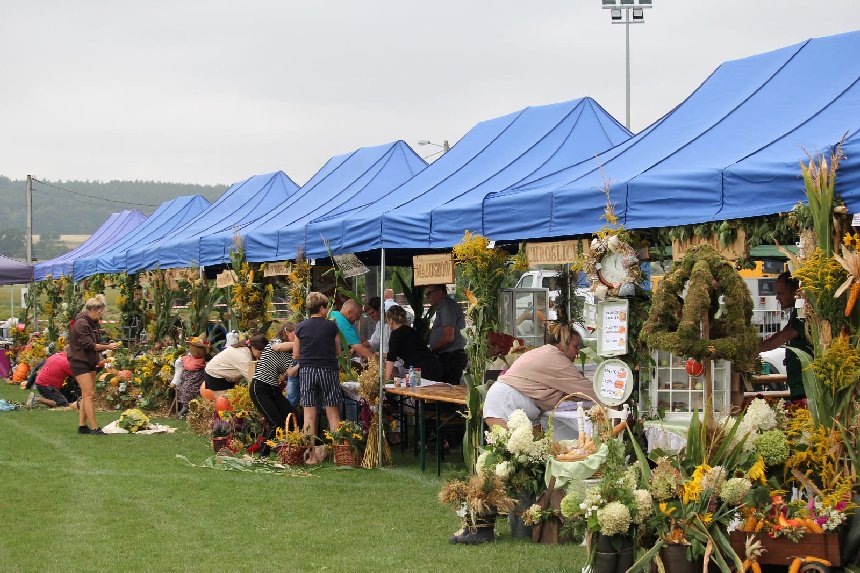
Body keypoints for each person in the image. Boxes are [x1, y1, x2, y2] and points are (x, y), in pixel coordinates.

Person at [483, 323, 596, 430]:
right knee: (509, 444)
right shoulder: (555, 357)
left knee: (535, 443)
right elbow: (586, 389)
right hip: (505, 404)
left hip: (507, 402)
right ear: (563, 345)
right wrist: (606, 400)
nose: (578, 351)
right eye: (575, 346)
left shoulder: (546, 351)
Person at [293, 292, 342, 464]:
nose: (327, 311)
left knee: (309, 416)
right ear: (321, 308)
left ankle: (311, 456)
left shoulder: (300, 327)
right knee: (333, 414)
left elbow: (296, 355)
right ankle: (338, 455)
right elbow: (338, 352)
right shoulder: (331, 326)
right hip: (328, 371)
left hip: (307, 372)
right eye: (326, 308)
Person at [67, 294, 120, 435]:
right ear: (92, 310)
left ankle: (82, 426)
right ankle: (95, 428)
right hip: (79, 361)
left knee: (86, 395)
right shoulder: (81, 323)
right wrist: (108, 347)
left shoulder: (93, 322)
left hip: (89, 360)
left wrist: (107, 344)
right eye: (99, 311)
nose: (100, 314)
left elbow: (96, 342)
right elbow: (89, 345)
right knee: (90, 394)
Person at [759, 271, 811, 400]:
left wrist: (756, 348)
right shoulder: (796, 312)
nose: (777, 298)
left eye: (781, 293)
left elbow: (785, 335)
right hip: (798, 383)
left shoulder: (805, 312)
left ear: (795, 292)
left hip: (806, 385)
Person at [250, 323, 298, 455]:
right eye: (296, 334)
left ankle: (290, 449)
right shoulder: (275, 342)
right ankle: (263, 453)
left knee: (292, 416)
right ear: (287, 332)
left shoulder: (289, 355)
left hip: (273, 389)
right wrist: (302, 344)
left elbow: (290, 372)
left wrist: (300, 364)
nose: (298, 337)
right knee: (275, 423)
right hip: (259, 387)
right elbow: (278, 347)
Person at [384, 305, 443, 382]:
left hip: (418, 369)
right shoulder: (411, 330)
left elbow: (391, 358)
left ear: (391, 320)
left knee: (416, 389)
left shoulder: (395, 334)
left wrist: (386, 379)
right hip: (434, 365)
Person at [425, 284, 467, 385]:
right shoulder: (444, 306)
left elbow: (448, 337)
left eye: (429, 294)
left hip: (450, 357)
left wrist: (432, 349)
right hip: (449, 356)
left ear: (439, 292)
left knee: (448, 389)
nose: (427, 298)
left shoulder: (447, 306)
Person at [204, 334, 267, 400]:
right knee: (224, 402)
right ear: (253, 348)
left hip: (227, 374)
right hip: (215, 374)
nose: (263, 356)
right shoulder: (243, 356)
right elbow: (254, 379)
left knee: (234, 399)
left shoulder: (248, 349)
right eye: (260, 353)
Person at [175, 336, 210, 418]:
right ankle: (185, 407)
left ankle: (187, 408)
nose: (197, 351)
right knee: (182, 388)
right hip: (187, 378)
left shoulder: (204, 359)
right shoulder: (186, 358)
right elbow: (179, 369)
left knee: (190, 389)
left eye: (199, 349)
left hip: (197, 380)